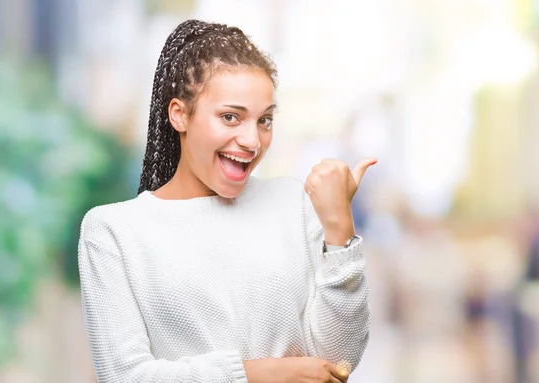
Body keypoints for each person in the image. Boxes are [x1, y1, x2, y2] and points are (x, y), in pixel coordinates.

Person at [78, 19, 376, 383]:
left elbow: (339, 361)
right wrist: (255, 376)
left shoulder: (293, 204)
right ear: (180, 115)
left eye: (264, 120)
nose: (252, 140)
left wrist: (339, 231)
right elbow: (124, 376)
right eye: (230, 117)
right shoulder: (114, 232)